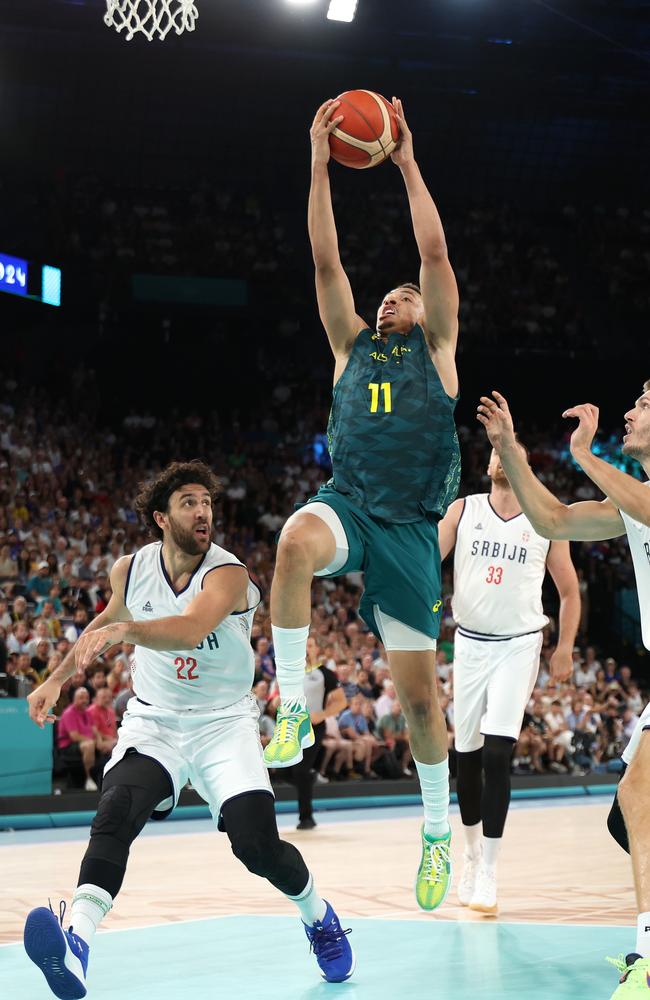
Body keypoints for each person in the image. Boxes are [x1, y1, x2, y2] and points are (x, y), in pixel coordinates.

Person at [23, 461, 354, 999]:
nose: (204, 512)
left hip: (225, 725)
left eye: (207, 502)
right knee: (114, 813)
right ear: (161, 517)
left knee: (256, 847)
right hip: (155, 720)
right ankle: (76, 945)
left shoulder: (228, 573)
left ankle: (318, 916)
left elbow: (191, 627)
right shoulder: (129, 570)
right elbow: (101, 627)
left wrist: (127, 629)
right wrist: (56, 680)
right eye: (189, 503)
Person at [263, 96, 461, 913]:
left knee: (420, 704)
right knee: (290, 546)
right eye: (387, 296)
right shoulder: (350, 347)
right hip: (350, 503)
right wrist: (318, 160)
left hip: (411, 530)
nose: (392, 298)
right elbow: (325, 264)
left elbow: (437, 251)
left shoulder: (440, 350)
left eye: (405, 295)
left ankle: (437, 833)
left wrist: (406, 160)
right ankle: (289, 706)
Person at [476, 384, 650, 995]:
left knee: (639, 798)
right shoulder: (633, 502)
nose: (630, 412)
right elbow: (552, 519)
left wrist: (584, 452)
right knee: (628, 816)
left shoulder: (643, 499)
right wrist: (508, 448)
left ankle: (648, 955)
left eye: (644, 404)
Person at [437, 443, 580, 914]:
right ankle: (472, 853)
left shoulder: (545, 521)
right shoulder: (463, 510)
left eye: (510, 450)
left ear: (523, 466)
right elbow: (425, 560)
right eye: (496, 450)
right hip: (471, 643)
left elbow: (569, 591)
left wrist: (565, 647)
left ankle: (491, 869)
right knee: (467, 757)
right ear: (488, 464)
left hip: (519, 643)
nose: (501, 455)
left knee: (498, 753)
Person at [284, 635, 347, 830]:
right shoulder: (289, 671)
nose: (305, 648)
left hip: (313, 727)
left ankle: (306, 818)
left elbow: (341, 701)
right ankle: (309, 779)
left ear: (316, 650)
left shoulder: (324, 674)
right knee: (285, 772)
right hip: (290, 725)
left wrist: (323, 714)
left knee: (300, 770)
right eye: (302, 644)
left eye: (309, 645)